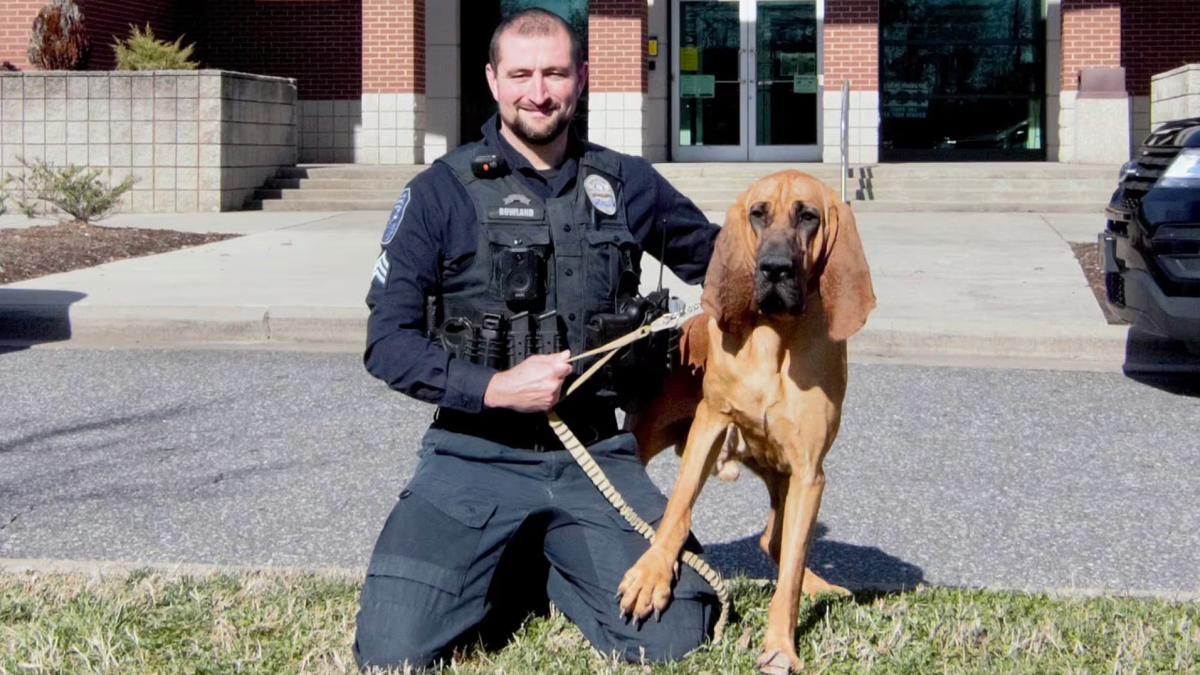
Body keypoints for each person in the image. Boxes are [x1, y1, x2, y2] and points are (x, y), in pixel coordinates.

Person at [354, 8, 722, 671]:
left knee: (677, 633)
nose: (539, 91)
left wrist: (799, 244)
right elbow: (387, 341)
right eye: (521, 74)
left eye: (554, 72)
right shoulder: (438, 193)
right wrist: (492, 385)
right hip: (471, 452)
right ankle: (521, 559)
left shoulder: (625, 183)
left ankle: (550, 557)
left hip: (594, 455)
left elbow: (724, 266)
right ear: (493, 81)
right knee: (394, 650)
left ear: (580, 78)